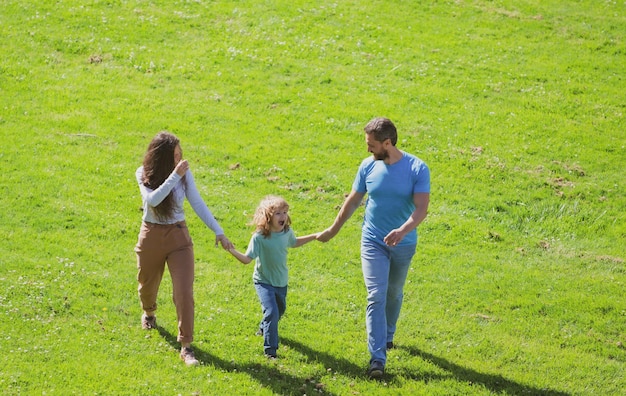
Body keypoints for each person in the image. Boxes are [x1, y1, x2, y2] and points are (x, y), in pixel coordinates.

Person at [317, 117, 430, 378]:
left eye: (371, 144)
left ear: (387, 143)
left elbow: (422, 209)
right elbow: (353, 200)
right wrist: (333, 230)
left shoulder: (417, 168)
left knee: (393, 292)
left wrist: (402, 231)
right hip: (372, 241)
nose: (368, 149)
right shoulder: (368, 167)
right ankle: (377, 359)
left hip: (404, 243)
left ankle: (388, 334)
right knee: (376, 294)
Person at [134, 131, 234, 366]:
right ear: (162, 158)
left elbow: (197, 203)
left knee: (184, 292)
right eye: (175, 157)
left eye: (181, 156)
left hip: (178, 236)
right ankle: (149, 312)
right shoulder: (142, 173)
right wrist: (174, 175)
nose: (180, 161)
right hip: (151, 234)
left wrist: (218, 231)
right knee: (147, 285)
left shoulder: (184, 175)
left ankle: (186, 346)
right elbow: (153, 201)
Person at [227, 195, 319, 359]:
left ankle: (264, 327)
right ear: (268, 216)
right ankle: (270, 351)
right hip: (263, 282)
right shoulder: (259, 237)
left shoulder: (286, 232)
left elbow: (294, 242)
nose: (283, 216)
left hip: (281, 282)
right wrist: (231, 250)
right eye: (278, 213)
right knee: (271, 312)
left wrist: (314, 236)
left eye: (284, 212)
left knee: (279, 310)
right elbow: (247, 259)